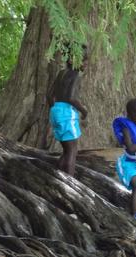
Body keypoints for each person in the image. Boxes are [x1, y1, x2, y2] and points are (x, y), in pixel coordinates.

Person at [47, 46, 88, 177]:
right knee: (72, 151)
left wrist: (56, 111)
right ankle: (70, 182)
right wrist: (83, 110)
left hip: (55, 111)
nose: (86, 63)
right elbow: (71, 98)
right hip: (67, 113)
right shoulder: (76, 75)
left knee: (66, 150)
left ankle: (59, 176)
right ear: (72, 60)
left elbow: (49, 95)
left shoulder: (61, 73)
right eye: (84, 60)